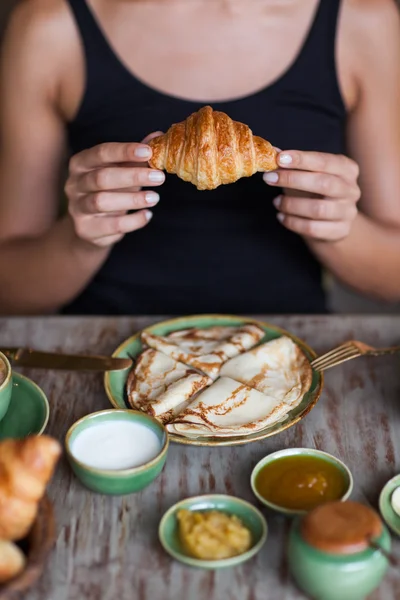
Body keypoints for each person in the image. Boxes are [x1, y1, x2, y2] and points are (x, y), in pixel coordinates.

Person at [0, 0, 399, 315]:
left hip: (284, 358)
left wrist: (341, 232)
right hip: (108, 356)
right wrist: (78, 240)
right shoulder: (48, 26)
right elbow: (10, 290)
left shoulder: (363, 20)